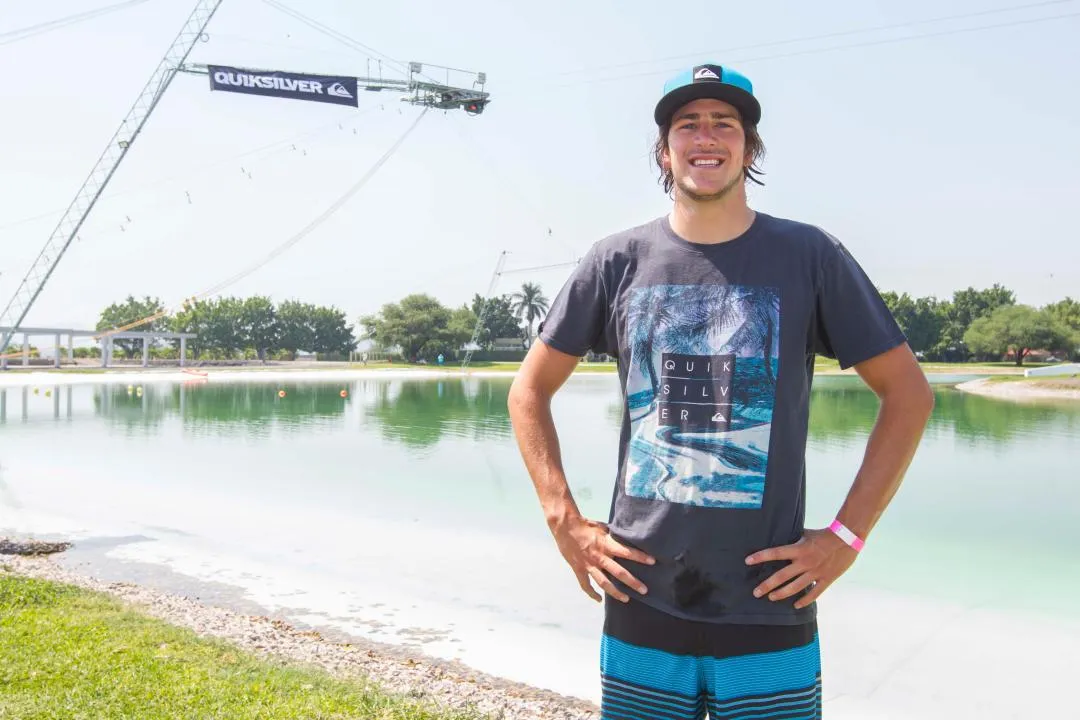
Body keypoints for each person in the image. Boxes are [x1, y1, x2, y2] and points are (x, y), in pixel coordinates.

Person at [507, 62, 934, 719]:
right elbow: (529, 391)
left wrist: (845, 538)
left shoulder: (810, 256)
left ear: (749, 147)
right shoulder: (616, 261)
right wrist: (564, 519)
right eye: (687, 124)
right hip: (639, 596)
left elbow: (908, 395)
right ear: (664, 149)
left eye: (724, 123)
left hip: (769, 601)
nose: (705, 136)